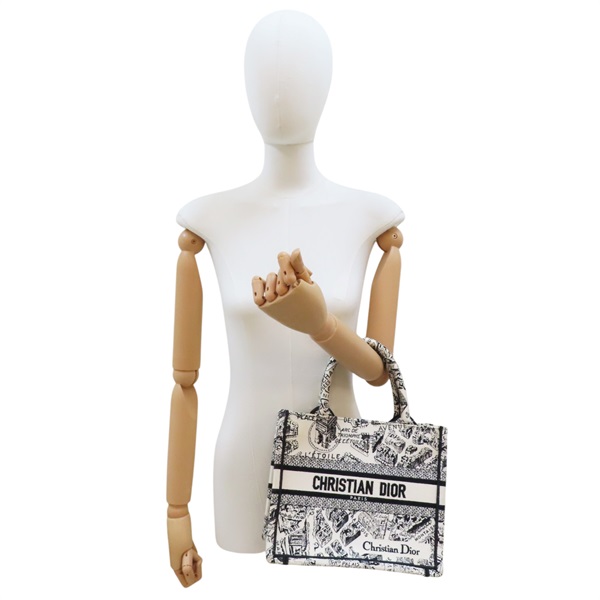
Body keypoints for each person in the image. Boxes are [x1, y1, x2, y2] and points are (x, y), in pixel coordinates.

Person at [167, 10, 404, 587]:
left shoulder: (370, 218)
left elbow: (379, 373)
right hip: (242, 469)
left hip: (341, 466)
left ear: (326, 83)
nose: (280, 89)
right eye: (265, 71)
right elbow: (184, 382)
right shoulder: (210, 219)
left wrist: (320, 324)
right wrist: (176, 514)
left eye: (298, 70)